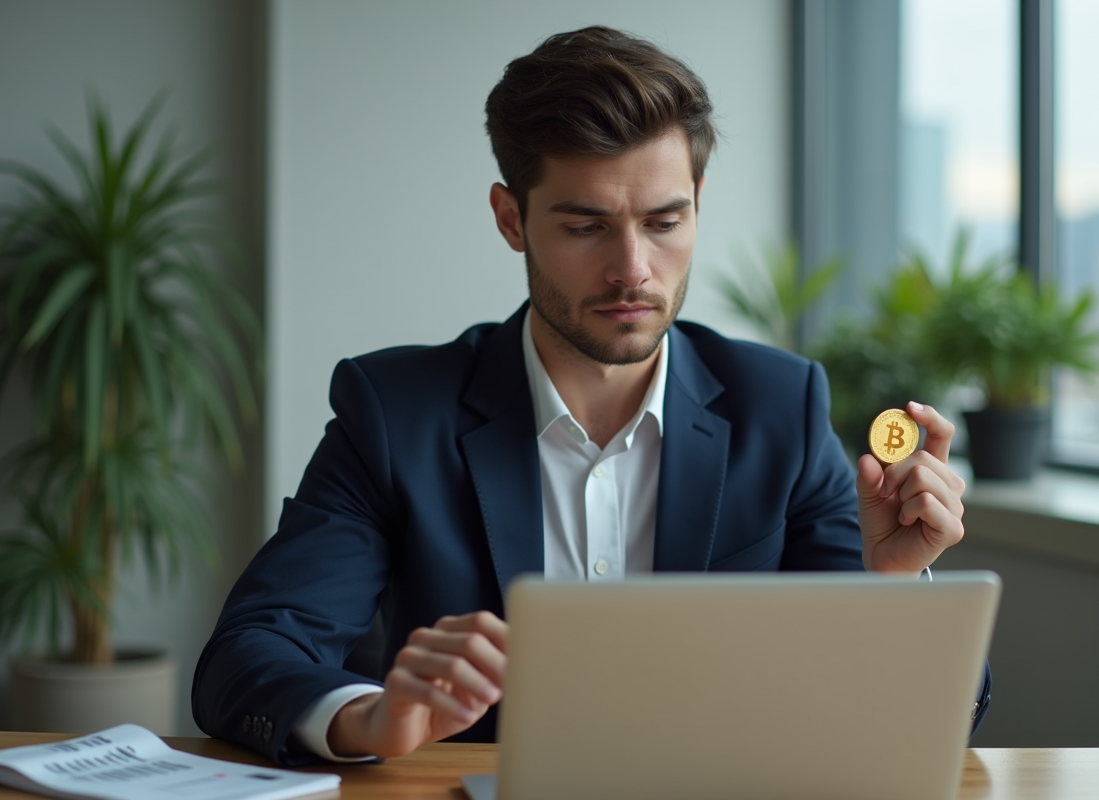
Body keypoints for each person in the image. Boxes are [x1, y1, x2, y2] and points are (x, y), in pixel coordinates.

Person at [192, 25, 988, 767]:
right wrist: (370, 717)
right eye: (586, 227)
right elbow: (250, 653)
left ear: (698, 206)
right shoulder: (397, 411)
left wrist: (892, 588)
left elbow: (874, 716)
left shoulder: (780, 406)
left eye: (665, 221)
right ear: (512, 219)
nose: (633, 268)